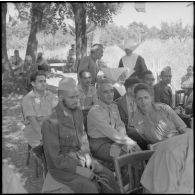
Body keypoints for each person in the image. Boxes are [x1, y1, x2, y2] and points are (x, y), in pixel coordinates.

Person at [41, 77, 119, 193]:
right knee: (90, 187)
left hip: (83, 159)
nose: (76, 100)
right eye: (72, 97)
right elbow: (56, 160)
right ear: (61, 97)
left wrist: (88, 157)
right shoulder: (50, 122)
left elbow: (83, 139)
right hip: (63, 168)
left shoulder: (77, 112)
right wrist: (80, 169)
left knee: (108, 175)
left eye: (77, 96)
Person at [87, 77, 141, 164]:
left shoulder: (113, 106)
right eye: (105, 92)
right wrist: (129, 142)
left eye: (111, 91)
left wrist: (124, 141)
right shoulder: (95, 112)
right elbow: (110, 132)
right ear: (98, 94)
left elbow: (120, 125)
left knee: (135, 152)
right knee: (126, 156)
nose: (110, 94)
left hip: (114, 140)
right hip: (101, 145)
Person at [21, 71, 58, 148]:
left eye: (45, 81)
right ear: (33, 83)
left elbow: (58, 112)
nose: (44, 83)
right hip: (36, 136)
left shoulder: (49, 95)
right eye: (40, 81)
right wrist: (43, 137)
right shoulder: (28, 99)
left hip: (50, 132)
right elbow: (33, 122)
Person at [117, 77, 148, 150]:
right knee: (140, 135)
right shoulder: (119, 103)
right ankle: (146, 156)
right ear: (128, 89)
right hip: (127, 129)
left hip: (141, 125)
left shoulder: (140, 99)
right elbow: (120, 122)